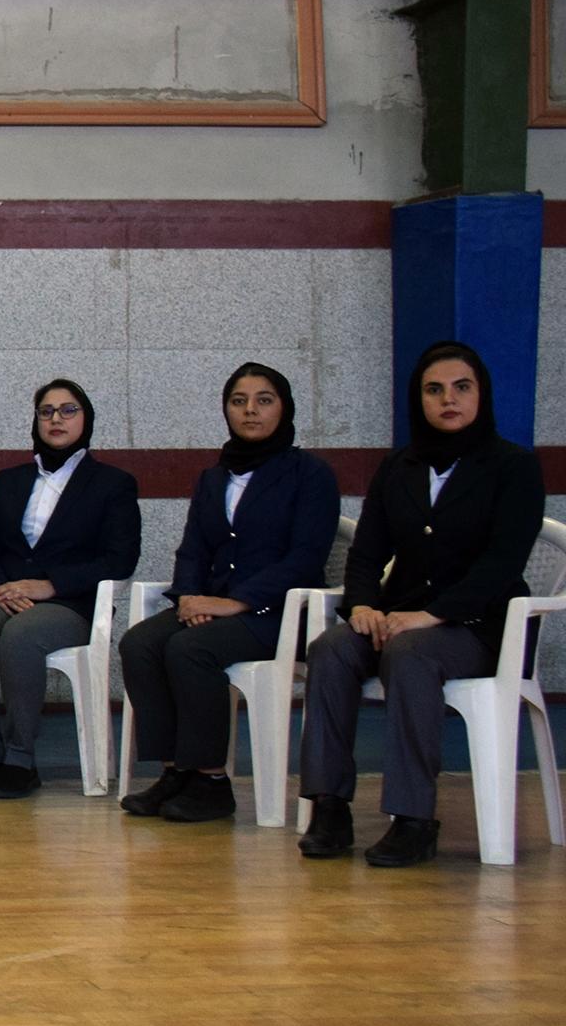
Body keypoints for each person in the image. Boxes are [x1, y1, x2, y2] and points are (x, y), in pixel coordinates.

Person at [297, 342, 546, 867]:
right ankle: (329, 805)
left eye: (461, 387)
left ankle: (413, 819)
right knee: (331, 649)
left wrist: (433, 616)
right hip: (398, 619)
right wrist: (362, 606)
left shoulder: (513, 466)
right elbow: (366, 552)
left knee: (410, 653)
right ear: (419, 399)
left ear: (481, 394)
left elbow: (502, 563)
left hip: (478, 628)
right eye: (434, 390)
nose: (448, 399)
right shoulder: (400, 466)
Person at [118, 364, 337, 823]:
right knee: (140, 642)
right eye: (239, 401)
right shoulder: (214, 477)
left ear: (285, 408)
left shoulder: (310, 474)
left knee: (190, 649)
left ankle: (212, 781)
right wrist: (189, 597)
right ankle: (176, 770)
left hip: (276, 614)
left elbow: (306, 557)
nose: (250, 410)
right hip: (216, 608)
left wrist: (236, 602)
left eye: (264, 400)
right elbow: (193, 549)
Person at [0, 378, 140, 799]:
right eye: (46, 411)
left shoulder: (112, 484)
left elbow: (119, 559)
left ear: (86, 419)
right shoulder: (10, 480)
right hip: (5, 593)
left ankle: (20, 759)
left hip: (69, 602)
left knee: (21, 637)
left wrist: (51, 586)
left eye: (68, 410)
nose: (56, 419)